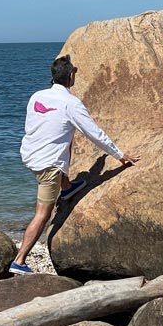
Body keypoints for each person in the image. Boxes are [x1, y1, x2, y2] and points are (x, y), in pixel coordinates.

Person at [12, 54, 139, 274]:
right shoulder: (70, 103)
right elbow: (94, 134)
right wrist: (120, 155)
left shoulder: (37, 96)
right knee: (43, 214)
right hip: (48, 165)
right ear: (71, 76)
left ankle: (67, 187)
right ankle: (20, 260)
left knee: (66, 132)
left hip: (30, 155)